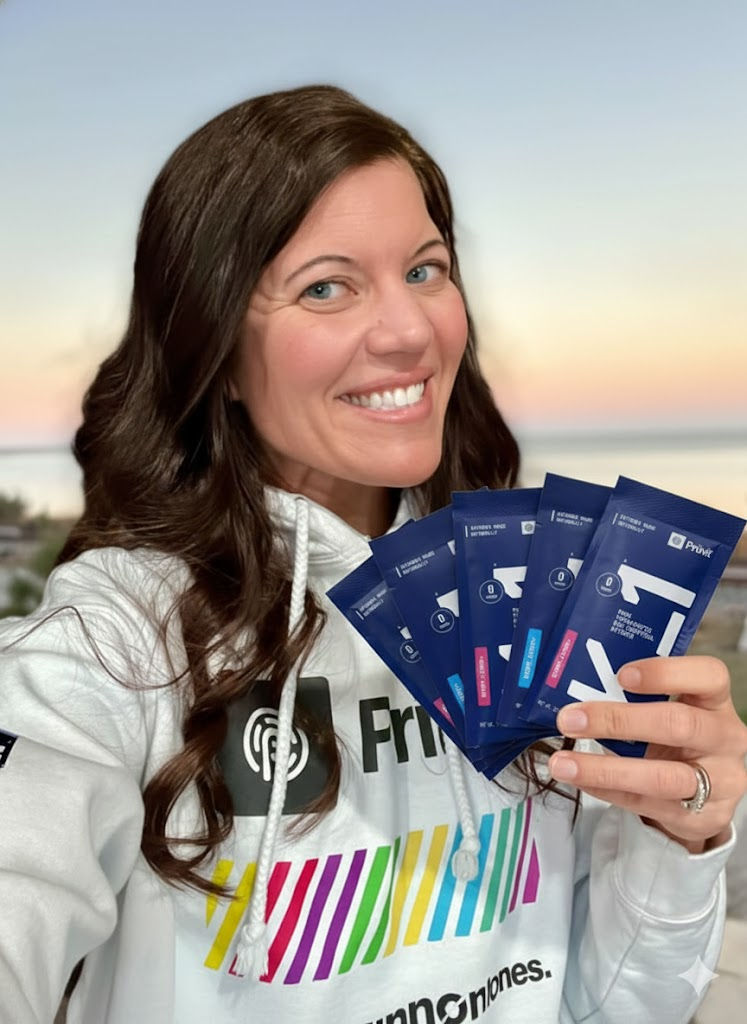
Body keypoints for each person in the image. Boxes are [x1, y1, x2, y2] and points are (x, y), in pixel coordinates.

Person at [0, 84, 745, 1024]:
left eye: (426, 271)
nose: (408, 333)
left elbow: (609, 1005)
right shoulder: (113, 638)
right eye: (326, 286)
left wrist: (679, 836)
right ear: (216, 349)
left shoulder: (529, 597)